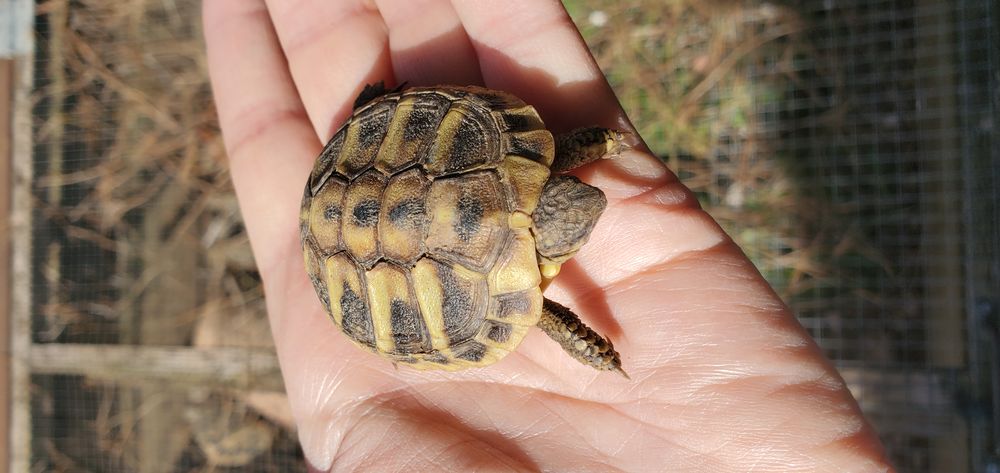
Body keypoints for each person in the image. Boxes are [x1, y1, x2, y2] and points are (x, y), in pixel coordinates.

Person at [203, 1, 893, 471]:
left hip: (357, 187)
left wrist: (604, 142)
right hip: (357, 215)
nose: (585, 206)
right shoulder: (538, 240)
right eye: (569, 206)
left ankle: (375, 119)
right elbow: (553, 313)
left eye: (571, 201)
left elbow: (573, 167)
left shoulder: (536, 184)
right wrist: (599, 351)